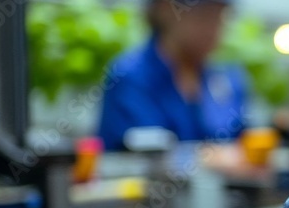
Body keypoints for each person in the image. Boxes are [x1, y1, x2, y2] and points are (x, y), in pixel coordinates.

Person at [98, 0, 248, 152]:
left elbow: (243, 135)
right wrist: (211, 159)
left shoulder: (226, 79)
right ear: (166, 9)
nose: (213, 29)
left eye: (219, 17)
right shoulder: (130, 77)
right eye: (204, 16)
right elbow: (144, 152)